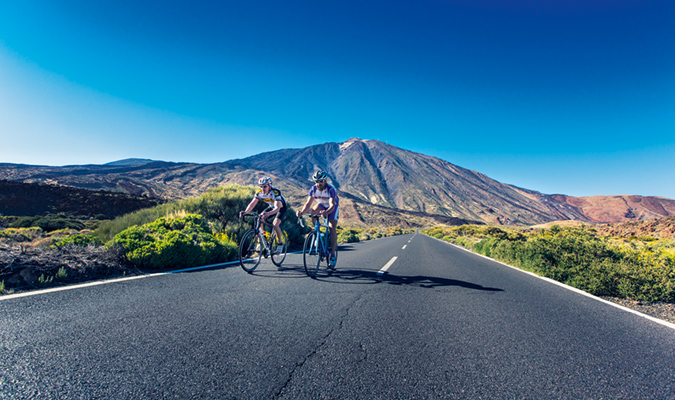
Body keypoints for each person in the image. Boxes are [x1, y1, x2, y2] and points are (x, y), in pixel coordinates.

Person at [296, 170, 339, 266]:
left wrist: (326, 212)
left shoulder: (331, 189)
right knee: (313, 211)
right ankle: (318, 233)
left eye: (321, 181)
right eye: (317, 182)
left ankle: (332, 255)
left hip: (332, 207)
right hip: (322, 205)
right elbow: (308, 204)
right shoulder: (313, 189)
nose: (319, 184)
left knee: (332, 227)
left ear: (325, 181)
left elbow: (332, 204)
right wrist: (301, 212)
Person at [240, 176, 287, 253]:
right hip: (271, 207)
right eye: (261, 186)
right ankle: (262, 239)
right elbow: (252, 204)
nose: (263, 188)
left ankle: (280, 244)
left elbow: (277, 208)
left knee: (275, 224)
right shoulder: (259, 193)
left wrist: (269, 213)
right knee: (260, 218)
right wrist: (245, 212)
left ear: (270, 185)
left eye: (265, 186)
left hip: (281, 208)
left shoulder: (275, 192)